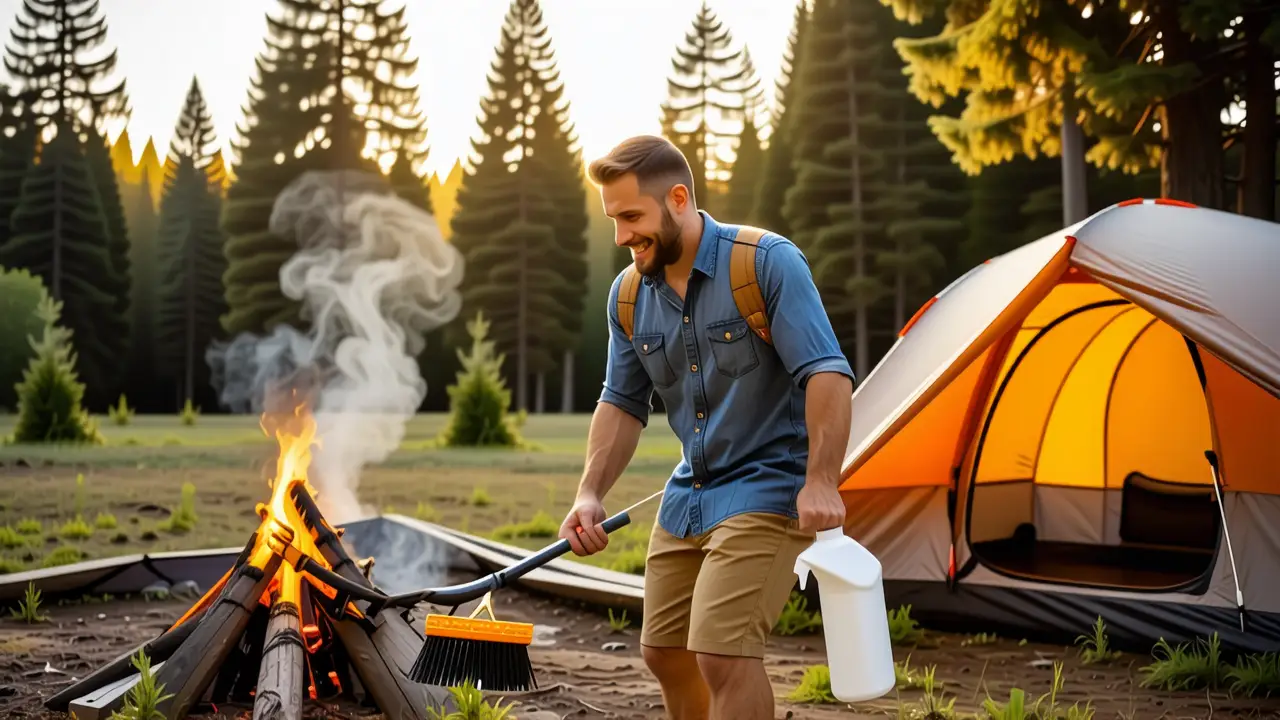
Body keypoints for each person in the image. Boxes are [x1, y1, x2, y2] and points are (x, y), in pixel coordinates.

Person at [558, 134, 854, 720]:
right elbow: (621, 402)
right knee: (664, 652)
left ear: (678, 199)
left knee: (723, 655)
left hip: (770, 488)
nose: (620, 237)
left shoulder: (764, 262)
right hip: (688, 494)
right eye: (613, 220)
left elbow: (827, 373)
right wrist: (589, 494)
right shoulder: (627, 296)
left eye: (631, 217)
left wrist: (822, 480)